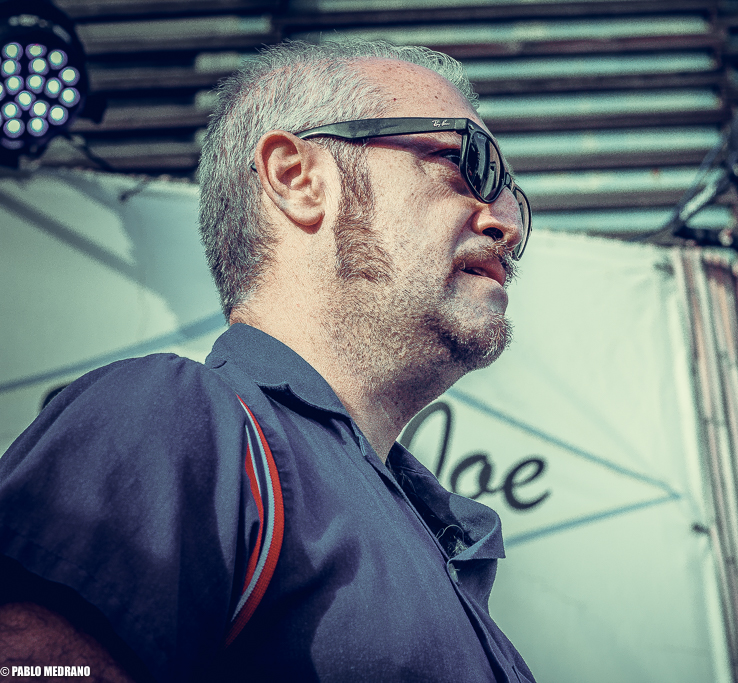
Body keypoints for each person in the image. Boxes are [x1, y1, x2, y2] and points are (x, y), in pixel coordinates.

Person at [0, 38, 534, 682]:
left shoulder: (435, 535)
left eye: (513, 197)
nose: (507, 225)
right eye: (467, 162)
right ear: (298, 179)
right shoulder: (176, 418)